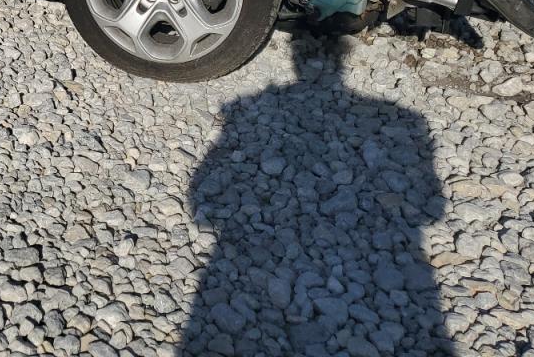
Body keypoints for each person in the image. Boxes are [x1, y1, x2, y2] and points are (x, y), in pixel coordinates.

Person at [178, 33, 452, 356]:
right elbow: (433, 210)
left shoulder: (246, 107)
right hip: (401, 277)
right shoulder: (408, 120)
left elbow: (199, 202)